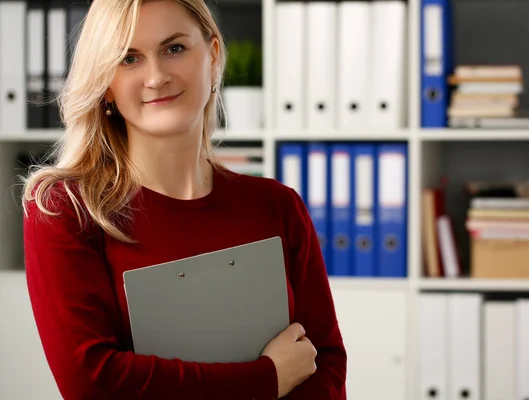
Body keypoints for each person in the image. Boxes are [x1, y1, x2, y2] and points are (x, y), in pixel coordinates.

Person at [21, 0, 347, 399]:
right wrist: (267, 379)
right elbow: (92, 382)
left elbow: (325, 363)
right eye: (129, 59)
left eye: (174, 48)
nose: (156, 77)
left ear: (211, 56)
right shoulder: (64, 209)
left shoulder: (277, 206)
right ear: (106, 83)